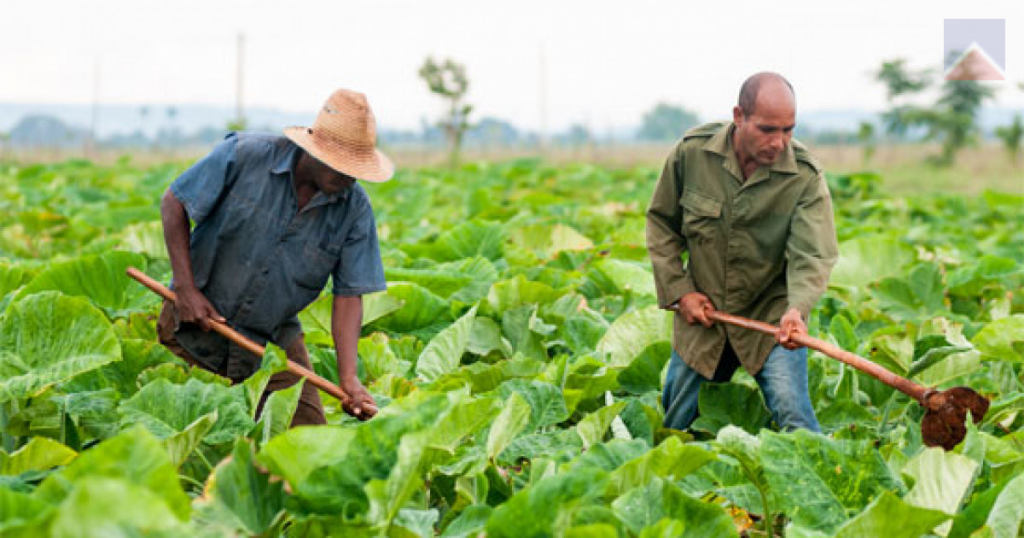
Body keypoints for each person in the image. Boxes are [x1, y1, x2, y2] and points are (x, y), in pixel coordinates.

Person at [157, 88, 393, 425]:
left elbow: (348, 295)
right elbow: (174, 202)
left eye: (355, 170)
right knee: (196, 427)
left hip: (270, 339)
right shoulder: (244, 156)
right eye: (341, 167)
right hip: (194, 325)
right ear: (316, 150)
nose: (348, 178)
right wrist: (185, 288)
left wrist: (349, 378)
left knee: (307, 435)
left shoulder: (354, 209)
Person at [646, 72, 839, 432]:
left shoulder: (804, 175)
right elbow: (661, 225)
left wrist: (797, 310)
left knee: (794, 415)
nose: (778, 142)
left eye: (788, 130)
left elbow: (812, 255)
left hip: (771, 318)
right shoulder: (693, 154)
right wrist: (681, 292)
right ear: (739, 116)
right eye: (767, 129)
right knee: (678, 425)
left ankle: (816, 468)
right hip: (705, 314)